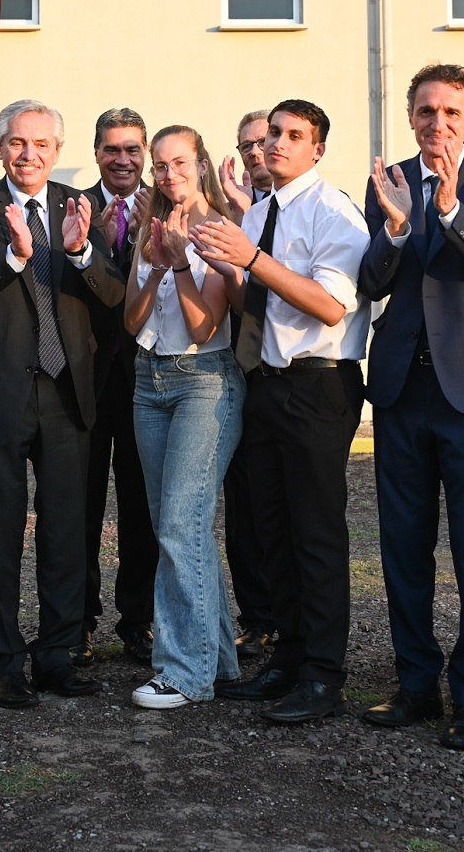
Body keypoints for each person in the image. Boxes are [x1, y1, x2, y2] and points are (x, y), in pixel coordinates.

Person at [358, 64, 464, 751]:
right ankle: (413, 683)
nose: (439, 123)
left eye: (452, 111)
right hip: (403, 389)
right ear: (411, 116)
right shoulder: (389, 180)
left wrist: (455, 211)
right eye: (426, 110)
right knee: (403, 548)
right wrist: (397, 229)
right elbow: (369, 283)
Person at [0, 99, 125, 708]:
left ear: (58, 152)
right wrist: (13, 256)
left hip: (67, 390)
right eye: (18, 143)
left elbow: (113, 296)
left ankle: (58, 654)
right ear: (0, 148)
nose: (29, 154)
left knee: (68, 532)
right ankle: (5, 661)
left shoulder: (80, 207)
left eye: (42, 145)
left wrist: (78, 254)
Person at [194, 99, 370, 725]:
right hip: (265, 382)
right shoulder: (262, 211)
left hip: (318, 386)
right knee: (271, 529)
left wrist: (249, 259)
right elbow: (257, 301)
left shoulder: (334, 210)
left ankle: (324, 677)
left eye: (295, 136)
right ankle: (287, 661)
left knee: (316, 535)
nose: (277, 145)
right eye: (272, 135)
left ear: (317, 149)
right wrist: (225, 266)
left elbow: (329, 306)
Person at [119, 126, 245, 710]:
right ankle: (218, 659)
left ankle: (183, 673)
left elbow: (204, 326)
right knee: (176, 525)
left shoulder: (221, 228)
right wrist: (152, 264)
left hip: (204, 380)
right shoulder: (150, 225)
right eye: (160, 166)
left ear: (200, 166)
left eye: (180, 163)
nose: (169, 175)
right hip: (150, 381)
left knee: (179, 525)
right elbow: (131, 320)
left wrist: (179, 266)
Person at [79, 109, 158, 665]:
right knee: (77, 507)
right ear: (98, 152)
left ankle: (139, 621)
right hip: (83, 379)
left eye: (132, 149)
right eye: (112, 149)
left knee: (141, 508)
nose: (123, 159)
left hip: (149, 380)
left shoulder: (169, 205)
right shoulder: (72, 207)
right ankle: (78, 620)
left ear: (146, 151)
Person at [216, 109, 278, 658]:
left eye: (265, 141)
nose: (257, 153)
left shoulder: (309, 209)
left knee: (284, 505)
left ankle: (291, 621)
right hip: (237, 374)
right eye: (247, 146)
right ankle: (256, 616)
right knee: (243, 507)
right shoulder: (227, 216)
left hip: (292, 379)